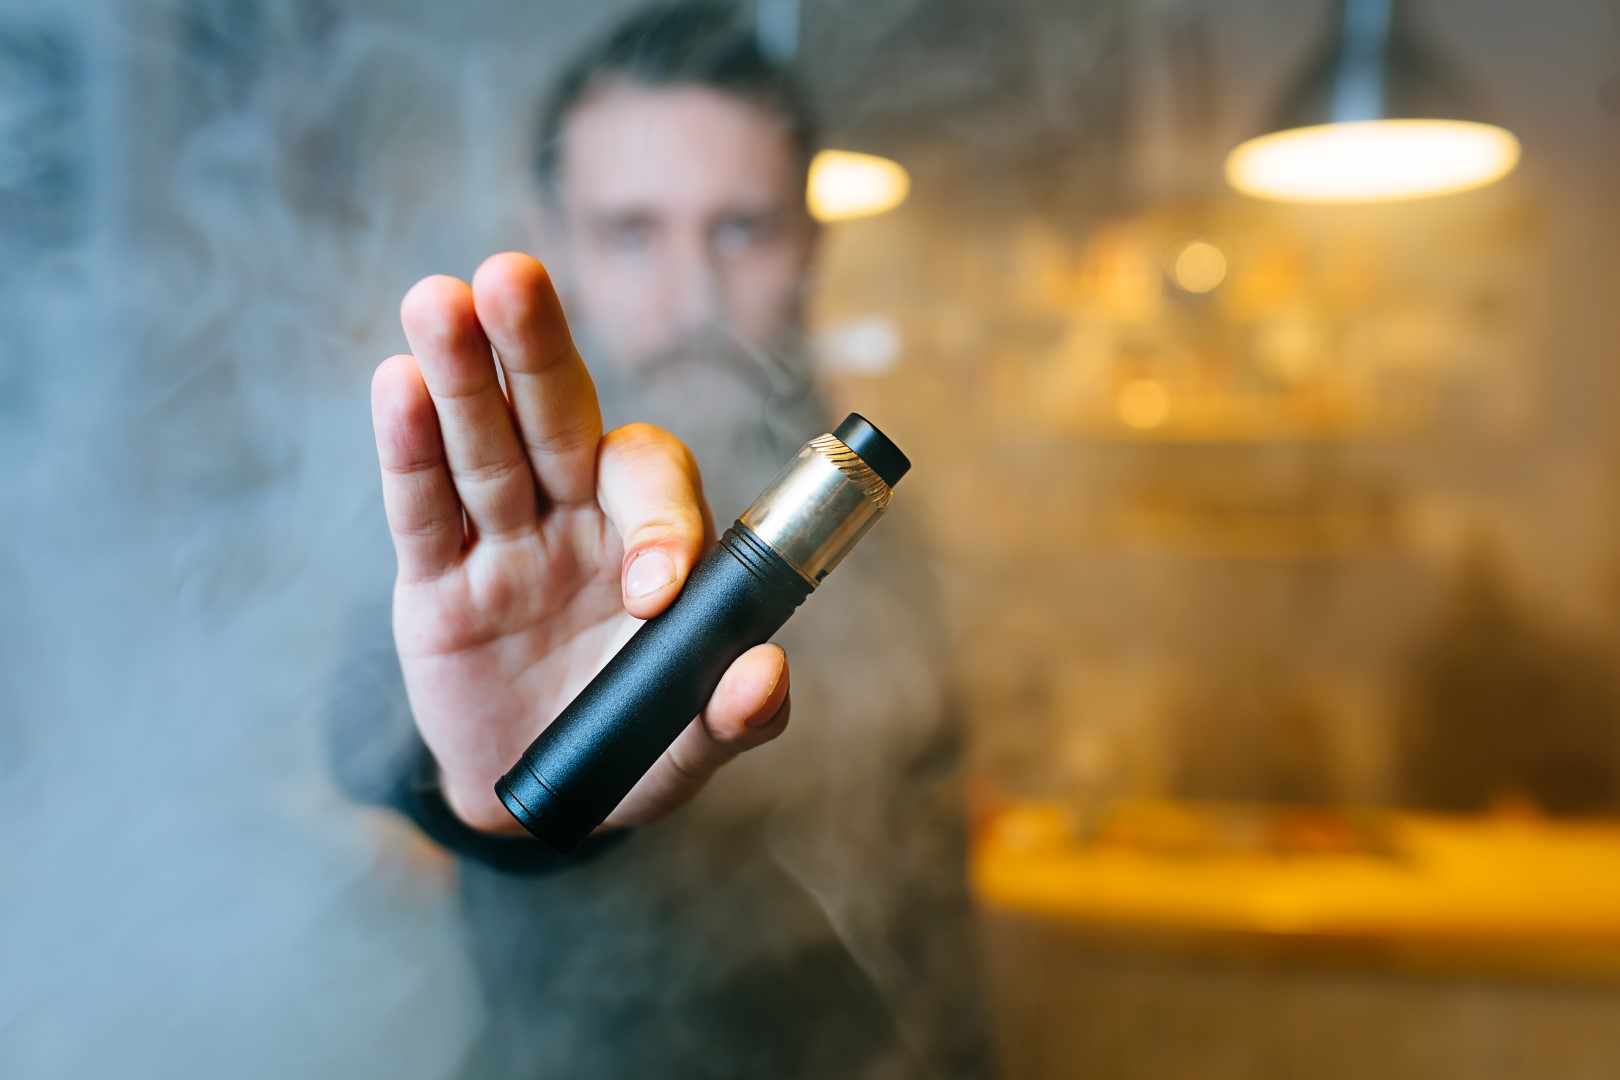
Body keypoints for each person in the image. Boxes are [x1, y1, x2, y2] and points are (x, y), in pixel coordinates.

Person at [330, 4, 988, 1076]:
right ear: (554, 236)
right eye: (632, 232)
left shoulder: (858, 488)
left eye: (743, 228)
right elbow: (374, 729)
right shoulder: (481, 509)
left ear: (812, 240)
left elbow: (933, 869)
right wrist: (492, 786)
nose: (697, 298)